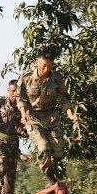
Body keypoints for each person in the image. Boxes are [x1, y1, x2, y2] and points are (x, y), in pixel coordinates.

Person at [17, 50, 80, 183]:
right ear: (37, 62)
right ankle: (49, 176)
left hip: (52, 118)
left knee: (59, 152)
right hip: (33, 118)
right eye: (44, 65)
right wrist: (23, 114)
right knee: (43, 147)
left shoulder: (56, 78)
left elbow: (64, 99)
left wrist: (70, 114)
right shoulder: (26, 77)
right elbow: (20, 98)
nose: (46, 69)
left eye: (50, 66)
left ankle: (53, 168)